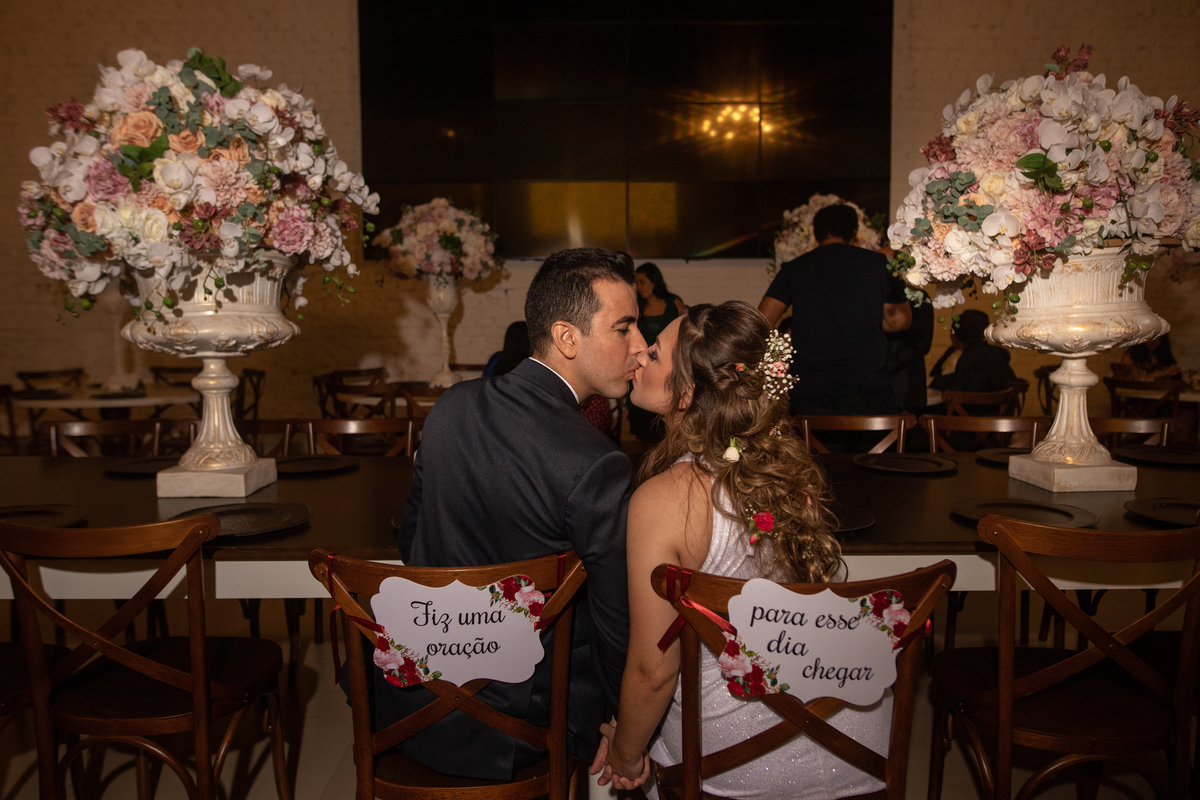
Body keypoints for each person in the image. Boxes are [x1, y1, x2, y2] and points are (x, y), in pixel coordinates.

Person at [592, 301, 891, 799]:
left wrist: (626, 752)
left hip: (738, 758)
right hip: (856, 742)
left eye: (655, 353)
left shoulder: (665, 499)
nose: (639, 355)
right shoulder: (791, 471)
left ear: (686, 394)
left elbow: (653, 671)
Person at [391, 247, 647, 780]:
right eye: (624, 328)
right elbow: (615, 618)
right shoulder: (595, 460)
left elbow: (412, 539)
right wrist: (627, 726)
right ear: (567, 337)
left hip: (413, 701)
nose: (640, 346)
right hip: (525, 723)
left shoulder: (451, 406)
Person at [758, 204, 911, 415]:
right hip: (868, 391)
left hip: (811, 394)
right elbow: (900, 320)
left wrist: (776, 368)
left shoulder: (795, 268)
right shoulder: (878, 264)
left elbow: (760, 323)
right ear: (854, 233)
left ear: (815, 233)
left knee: (809, 438)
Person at [628, 263, 687, 442]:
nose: (639, 287)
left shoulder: (673, 302)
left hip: (667, 367)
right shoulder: (637, 307)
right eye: (637, 283)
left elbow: (687, 335)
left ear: (654, 282)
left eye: (643, 282)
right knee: (645, 425)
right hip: (643, 366)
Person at [929, 309, 1016, 394]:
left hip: (972, 403)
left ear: (955, 338)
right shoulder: (995, 353)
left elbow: (963, 390)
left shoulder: (967, 357)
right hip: (998, 403)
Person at [887, 288, 934, 413]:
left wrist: (884, 365)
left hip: (905, 383)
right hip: (874, 382)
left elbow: (921, 344)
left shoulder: (917, 297)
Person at [1116, 333, 1180, 381]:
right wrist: (1165, 373)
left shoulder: (1162, 357)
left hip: (1161, 393)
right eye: (1152, 338)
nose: (1155, 341)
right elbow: (1134, 380)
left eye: (1159, 338)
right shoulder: (1130, 357)